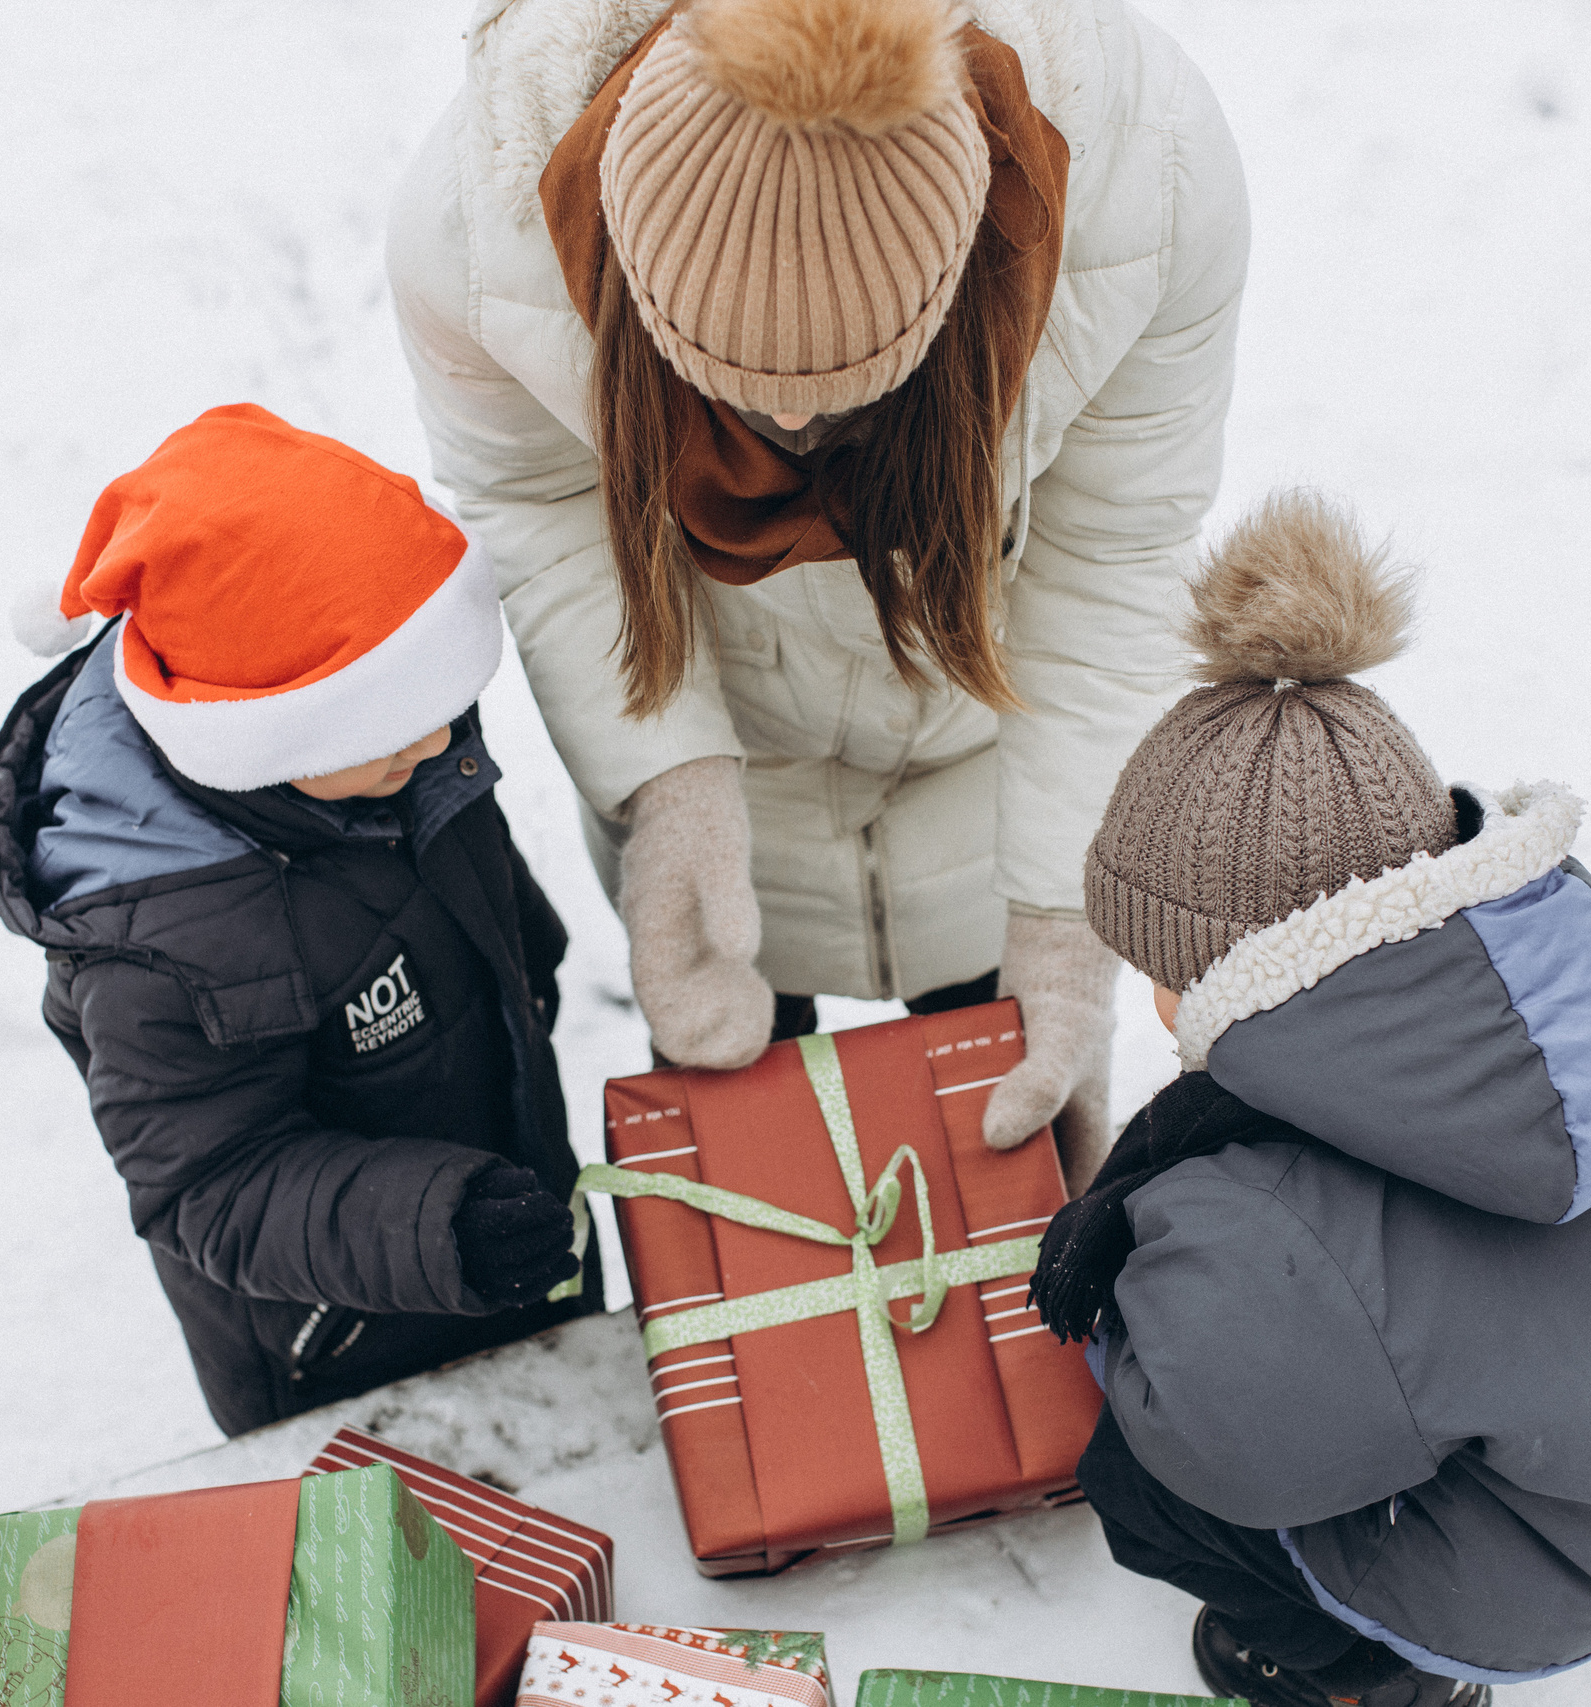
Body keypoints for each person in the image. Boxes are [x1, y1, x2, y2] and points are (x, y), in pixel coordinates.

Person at [390, 0, 1249, 1185]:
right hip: (731, 753)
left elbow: (1113, 550)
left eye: (849, 381)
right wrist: (667, 789)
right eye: (732, 383)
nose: (790, 420)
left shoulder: (1150, 176)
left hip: (989, 766)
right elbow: (535, 501)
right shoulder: (476, 230)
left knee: (996, 1204)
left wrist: (1064, 927)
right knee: (753, 1212)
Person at [1029, 494, 1591, 1707]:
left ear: (1236, 974)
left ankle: (1371, 1674)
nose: (1152, 1003)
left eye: (1160, 970)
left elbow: (1212, 1439)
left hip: (1535, 1584)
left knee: (1135, 1480)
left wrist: (1125, 1299)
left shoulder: (1271, 1223)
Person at [0, 404, 594, 1437]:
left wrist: (528, 970)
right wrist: (440, 1227)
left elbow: (474, 886)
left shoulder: (394, 741)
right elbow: (208, 1184)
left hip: (517, 1220)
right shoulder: (161, 942)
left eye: (441, 701)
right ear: (258, 729)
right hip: (345, 1353)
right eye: (391, 724)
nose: (438, 740)